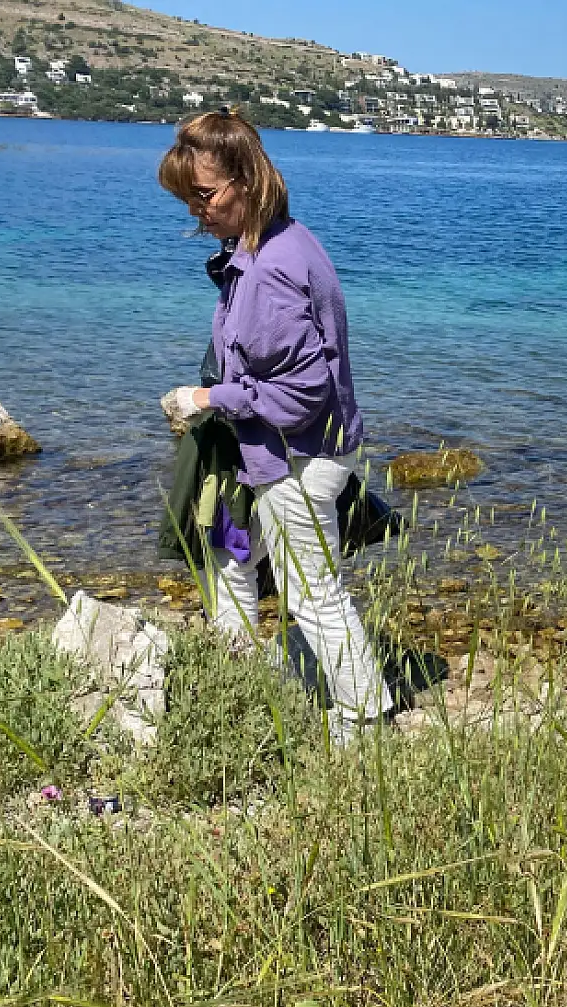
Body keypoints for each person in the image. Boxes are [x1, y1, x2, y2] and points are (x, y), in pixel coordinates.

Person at [158, 110, 391, 743]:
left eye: (204, 195)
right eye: (188, 200)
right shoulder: (276, 243)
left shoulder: (270, 269)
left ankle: (364, 719)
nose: (196, 212)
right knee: (230, 554)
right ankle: (240, 688)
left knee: (312, 590)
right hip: (270, 453)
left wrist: (205, 397)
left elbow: (302, 391)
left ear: (247, 181)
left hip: (297, 458)